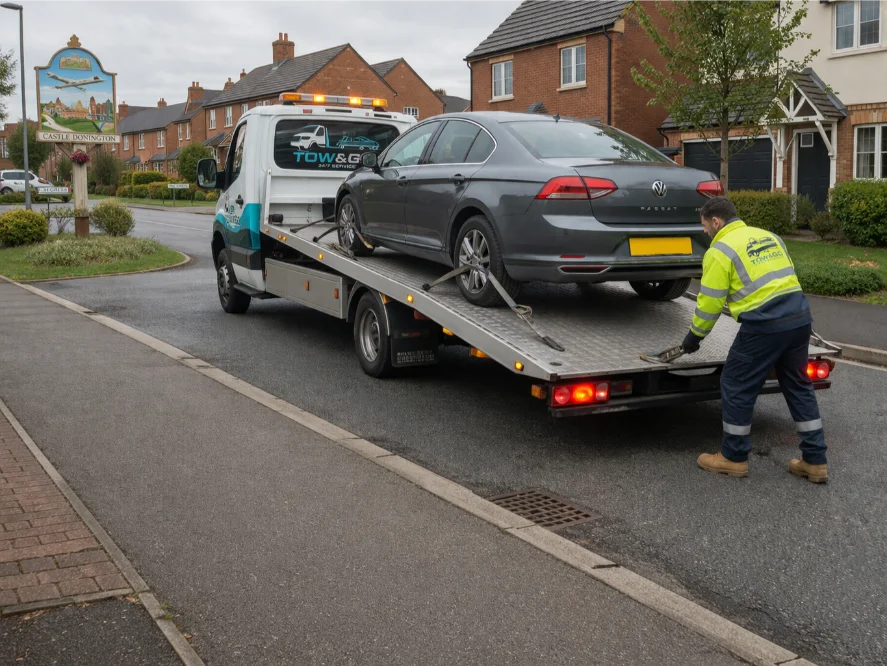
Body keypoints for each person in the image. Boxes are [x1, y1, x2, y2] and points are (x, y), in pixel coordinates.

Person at [682, 196, 828, 483]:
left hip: (764, 325)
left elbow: (710, 303)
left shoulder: (719, 250)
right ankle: (815, 461)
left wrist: (694, 337)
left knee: (735, 383)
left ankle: (733, 457)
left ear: (715, 221)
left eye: (703, 225)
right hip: (799, 319)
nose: (703, 231)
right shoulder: (769, 237)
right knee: (798, 385)